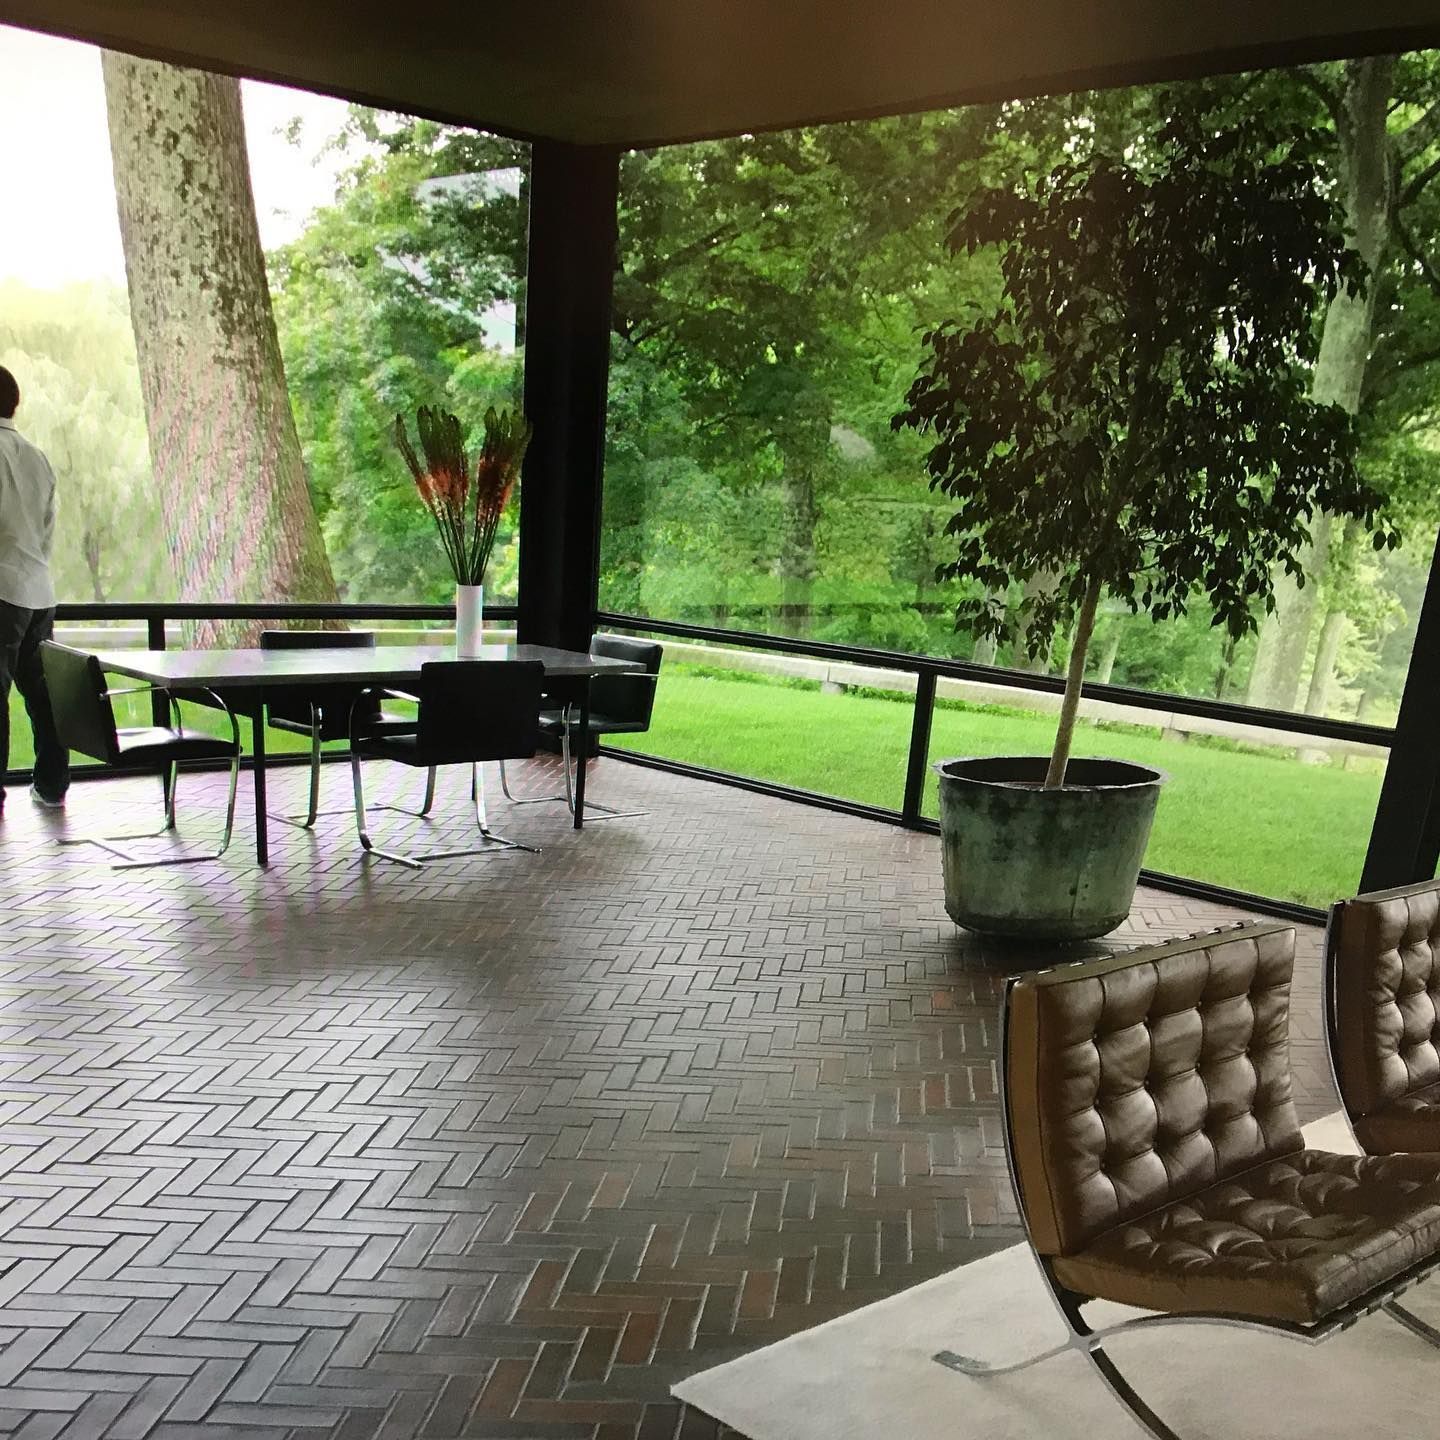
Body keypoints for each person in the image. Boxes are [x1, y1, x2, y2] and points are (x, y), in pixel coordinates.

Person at [0, 365, 68, 813]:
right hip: (38, 589)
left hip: (2, 589)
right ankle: (52, 784)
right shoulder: (37, 457)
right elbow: (46, 530)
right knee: (42, 694)